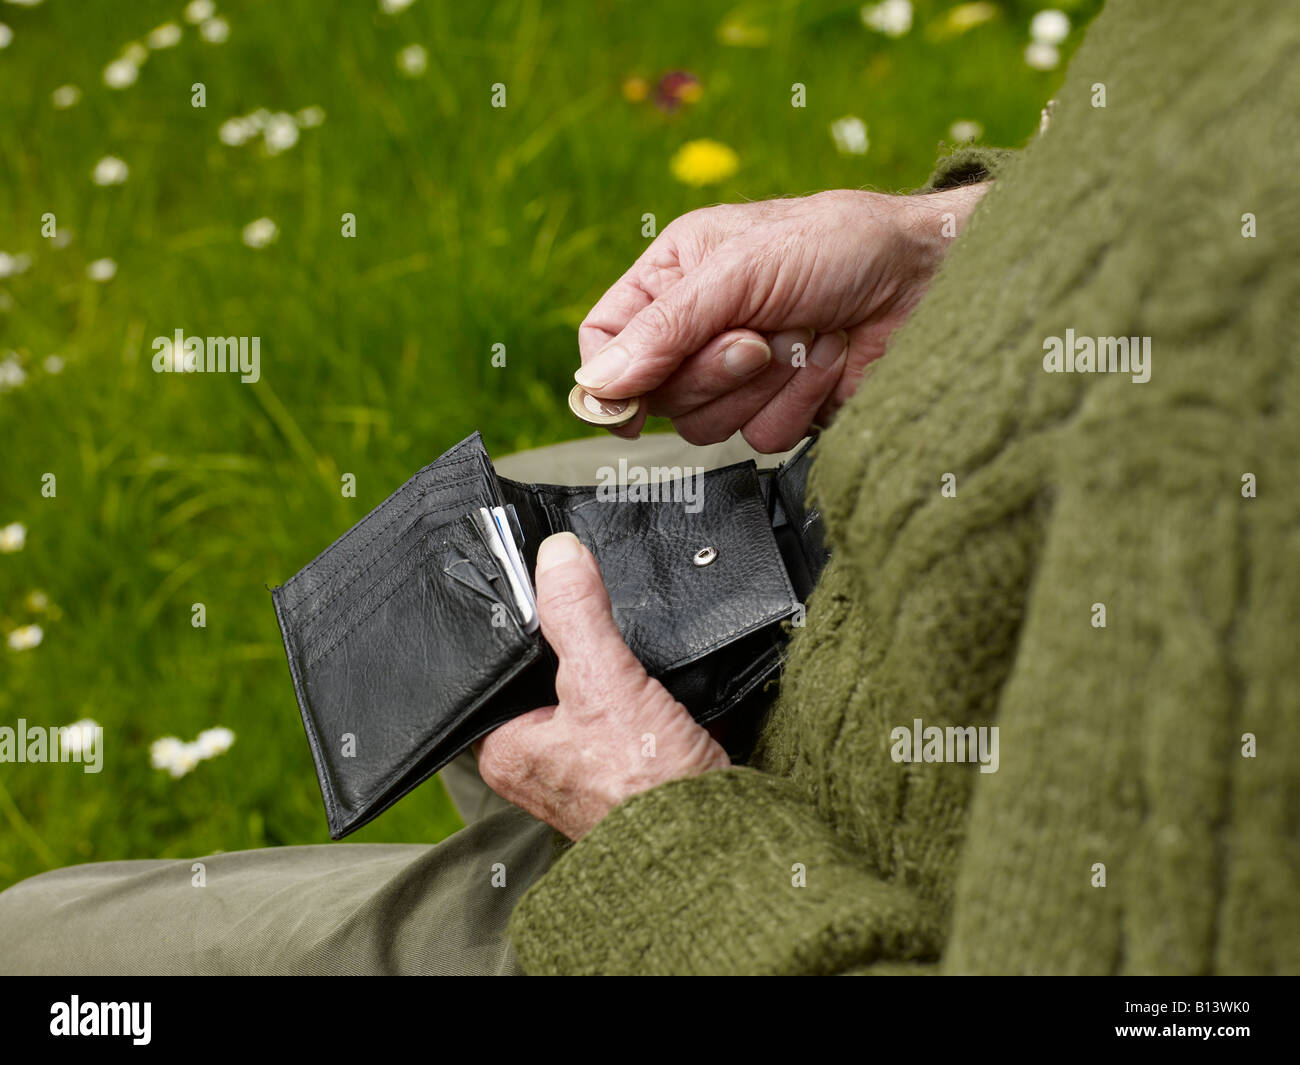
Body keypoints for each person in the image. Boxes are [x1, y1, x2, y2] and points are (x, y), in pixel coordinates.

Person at [2, 0, 1296, 974]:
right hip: (856, 568)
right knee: (514, 526)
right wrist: (945, 252)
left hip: (795, 880)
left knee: (45, 951)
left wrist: (657, 838)